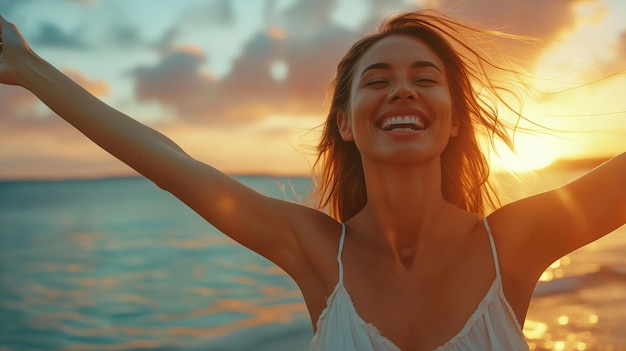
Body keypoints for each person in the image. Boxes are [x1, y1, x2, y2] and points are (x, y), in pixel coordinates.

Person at [0, 9, 624, 351]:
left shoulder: (512, 243)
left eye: (424, 78)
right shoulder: (318, 252)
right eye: (376, 81)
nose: (401, 88)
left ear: (454, 119)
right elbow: (171, 165)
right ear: (346, 125)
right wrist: (29, 69)